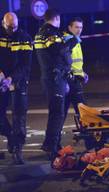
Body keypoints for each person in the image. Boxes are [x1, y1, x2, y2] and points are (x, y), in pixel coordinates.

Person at [34, 9, 79, 159]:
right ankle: (51, 146)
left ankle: (52, 144)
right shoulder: (50, 33)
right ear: (57, 18)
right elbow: (59, 50)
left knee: (56, 113)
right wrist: (73, 40)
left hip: (53, 77)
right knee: (57, 114)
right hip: (55, 78)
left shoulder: (41, 32)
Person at [0, 12, 33, 164]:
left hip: (18, 81)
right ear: (3, 23)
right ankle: (11, 137)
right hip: (1, 80)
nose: (12, 30)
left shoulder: (24, 38)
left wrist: (11, 78)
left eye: (15, 27)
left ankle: (17, 150)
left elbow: (25, 65)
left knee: (19, 116)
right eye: (9, 27)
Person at [64, 17, 88, 120]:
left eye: (81, 27)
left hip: (75, 78)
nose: (79, 30)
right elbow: (65, 62)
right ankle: (87, 132)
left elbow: (75, 62)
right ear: (70, 27)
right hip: (71, 80)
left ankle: (55, 134)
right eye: (76, 27)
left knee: (63, 110)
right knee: (82, 109)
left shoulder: (75, 40)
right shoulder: (69, 41)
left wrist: (83, 73)